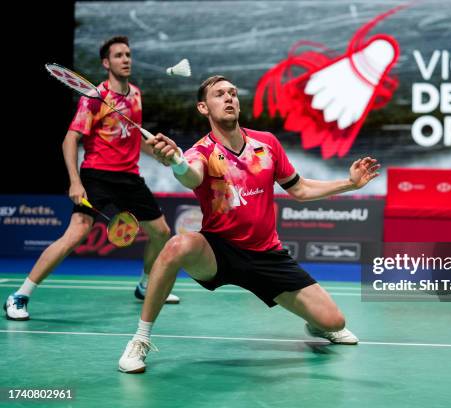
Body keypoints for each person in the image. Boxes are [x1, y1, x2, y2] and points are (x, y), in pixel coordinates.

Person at [118, 75, 380, 373]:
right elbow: (192, 176)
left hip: (267, 254)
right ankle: (140, 339)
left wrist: (349, 183)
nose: (229, 98)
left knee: (335, 323)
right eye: (219, 94)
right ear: (204, 108)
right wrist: (176, 161)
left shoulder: (266, 144)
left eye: (232, 93)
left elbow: (300, 189)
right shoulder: (201, 151)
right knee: (177, 245)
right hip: (220, 252)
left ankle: (318, 326)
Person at [4, 36, 180, 321]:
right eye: (119, 55)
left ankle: (145, 286)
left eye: (128, 54)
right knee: (75, 235)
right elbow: (69, 140)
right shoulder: (94, 98)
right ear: (106, 62)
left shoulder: (135, 94)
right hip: (97, 175)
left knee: (161, 232)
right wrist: (75, 181)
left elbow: (133, 136)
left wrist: (158, 154)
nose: (126, 59)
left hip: (129, 177)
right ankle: (19, 296)